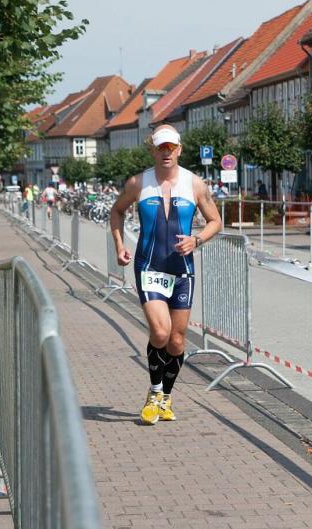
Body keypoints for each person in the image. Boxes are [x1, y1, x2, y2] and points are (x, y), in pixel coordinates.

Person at [110, 124, 221, 425]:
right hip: (149, 266)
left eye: (171, 147)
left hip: (182, 269)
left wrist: (197, 239)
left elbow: (215, 221)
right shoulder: (138, 183)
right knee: (160, 332)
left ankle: (166, 397)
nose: (166, 152)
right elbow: (116, 211)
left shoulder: (195, 184)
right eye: (161, 147)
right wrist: (119, 245)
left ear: (179, 149)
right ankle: (155, 392)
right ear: (153, 150)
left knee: (177, 341)